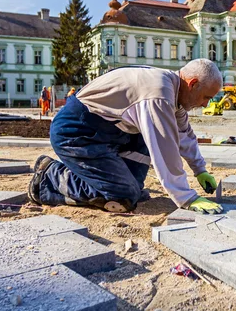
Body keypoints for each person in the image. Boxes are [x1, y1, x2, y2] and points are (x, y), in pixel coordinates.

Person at [28, 59, 223, 214]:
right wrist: (186, 197)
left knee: (134, 192)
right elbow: (165, 146)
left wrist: (200, 170)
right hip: (77, 132)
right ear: (193, 84)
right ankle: (49, 177)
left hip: (111, 134)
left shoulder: (174, 92)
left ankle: (120, 186)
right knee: (122, 196)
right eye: (206, 97)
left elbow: (183, 134)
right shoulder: (159, 93)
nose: (206, 105)